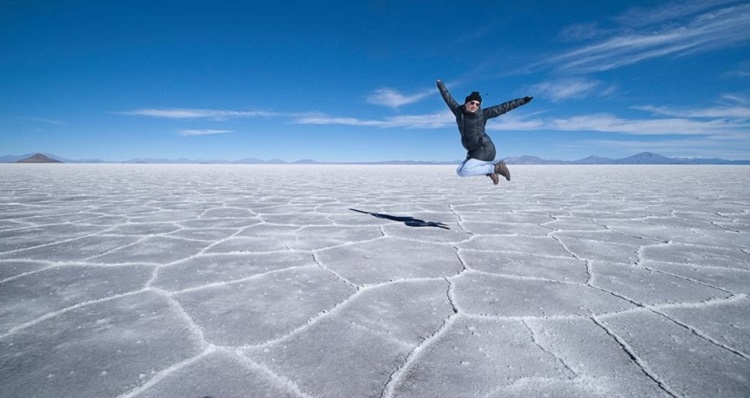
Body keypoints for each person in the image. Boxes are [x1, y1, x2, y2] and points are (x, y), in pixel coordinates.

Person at [436, 79, 532, 185]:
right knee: (460, 172)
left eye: (477, 104)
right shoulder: (459, 112)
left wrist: (523, 101)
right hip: (473, 150)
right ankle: (490, 171)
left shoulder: (483, 114)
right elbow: (447, 97)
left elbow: (503, 107)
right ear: (466, 103)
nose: (475, 106)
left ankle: (496, 167)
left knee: (465, 170)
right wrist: (440, 84)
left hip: (485, 148)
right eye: (472, 103)